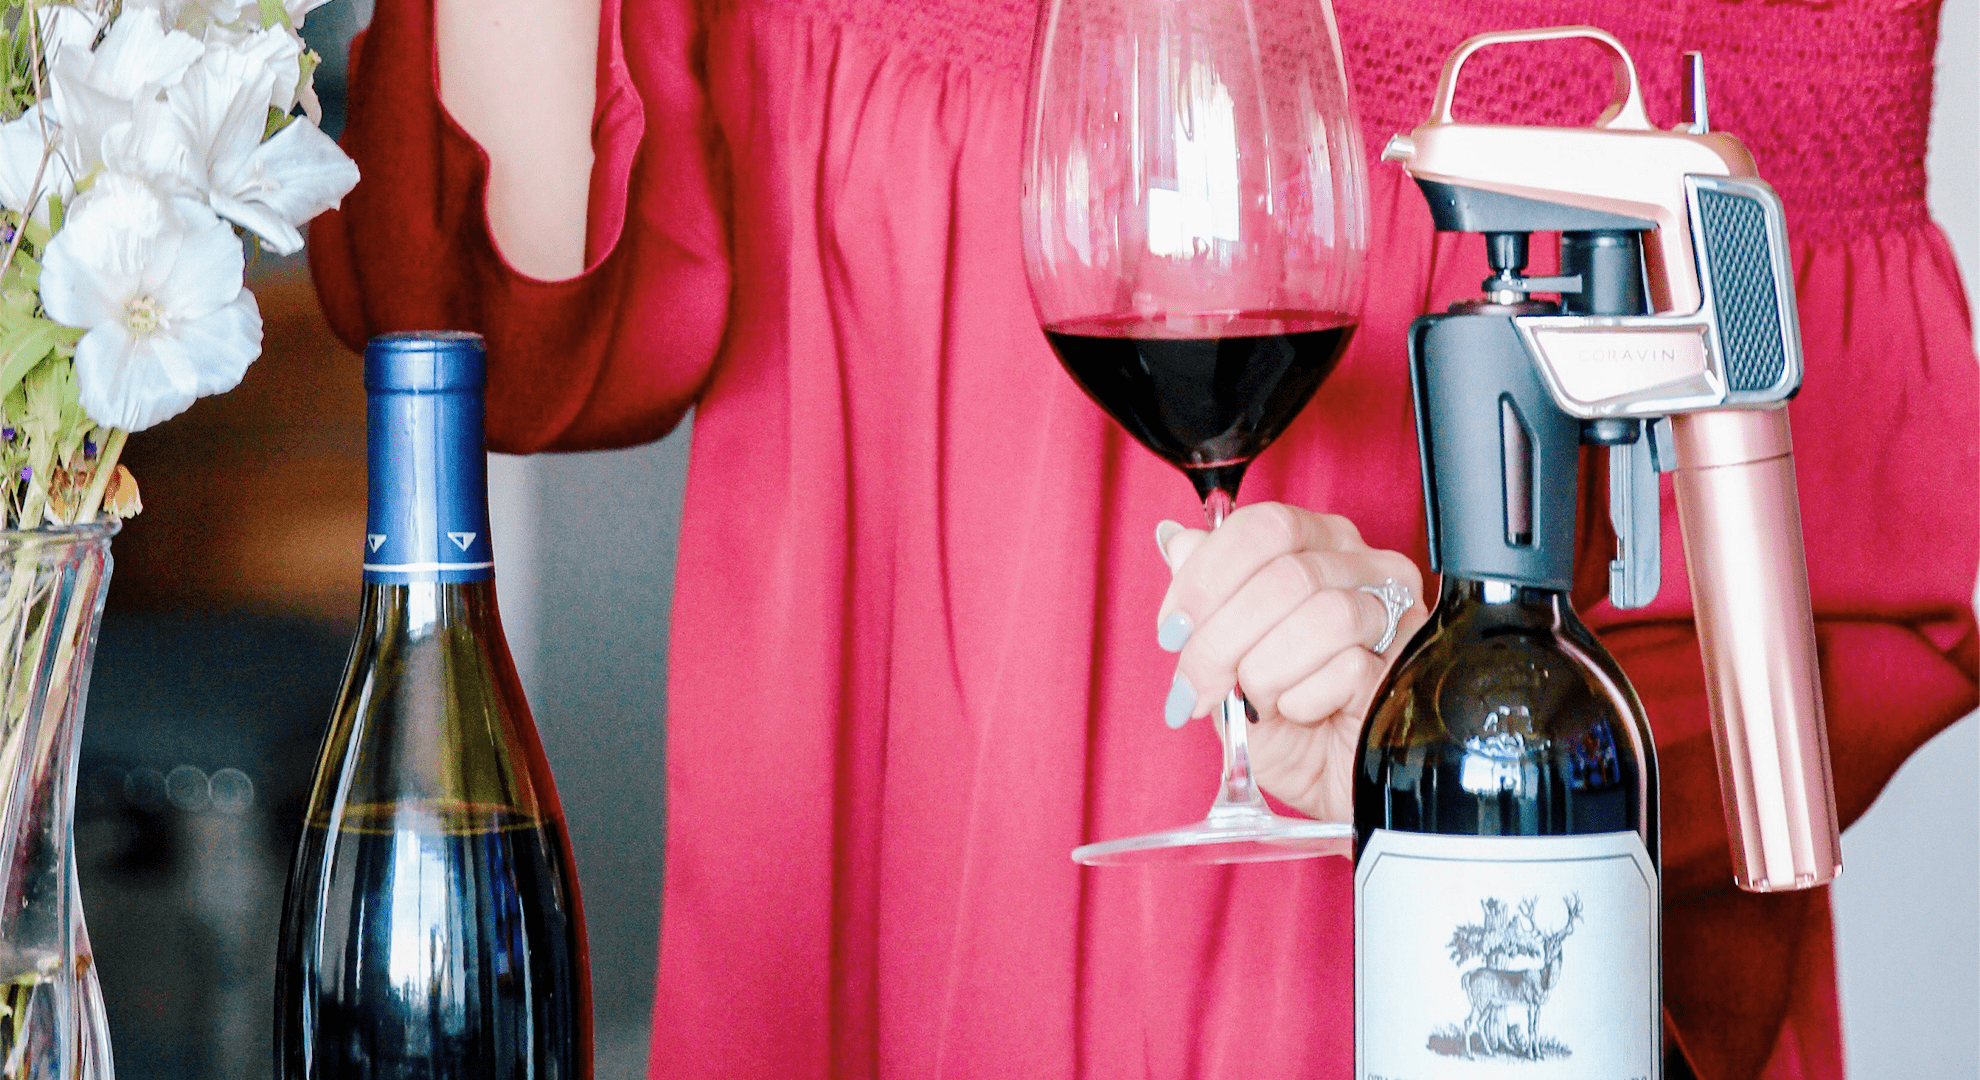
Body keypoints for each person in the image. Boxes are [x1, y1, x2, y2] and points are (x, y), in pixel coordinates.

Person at [309, 0, 1980, 1074]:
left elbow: (1871, 617)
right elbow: (493, 347)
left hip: (1431, 1006)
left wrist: (1472, 713)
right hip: (892, 985)